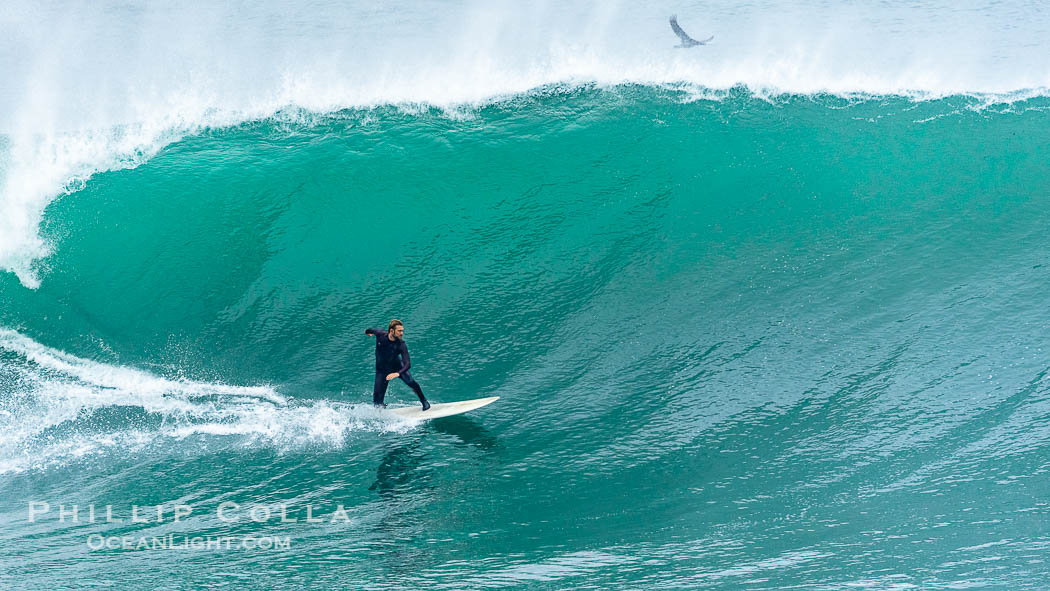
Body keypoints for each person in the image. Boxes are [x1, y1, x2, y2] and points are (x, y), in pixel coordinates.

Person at [365, 319, 431, 410]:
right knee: (377, 401)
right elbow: (370, 330)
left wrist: (397, 373)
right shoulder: (380, 334)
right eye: (399, 331)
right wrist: (368, 333)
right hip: (382, 370)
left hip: (397, 368)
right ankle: (381, 408)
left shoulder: (401, 345)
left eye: (402, 330)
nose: (402, 333)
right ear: (392, 331)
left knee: (411, 382)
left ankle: (424, 401)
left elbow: (408, 364)